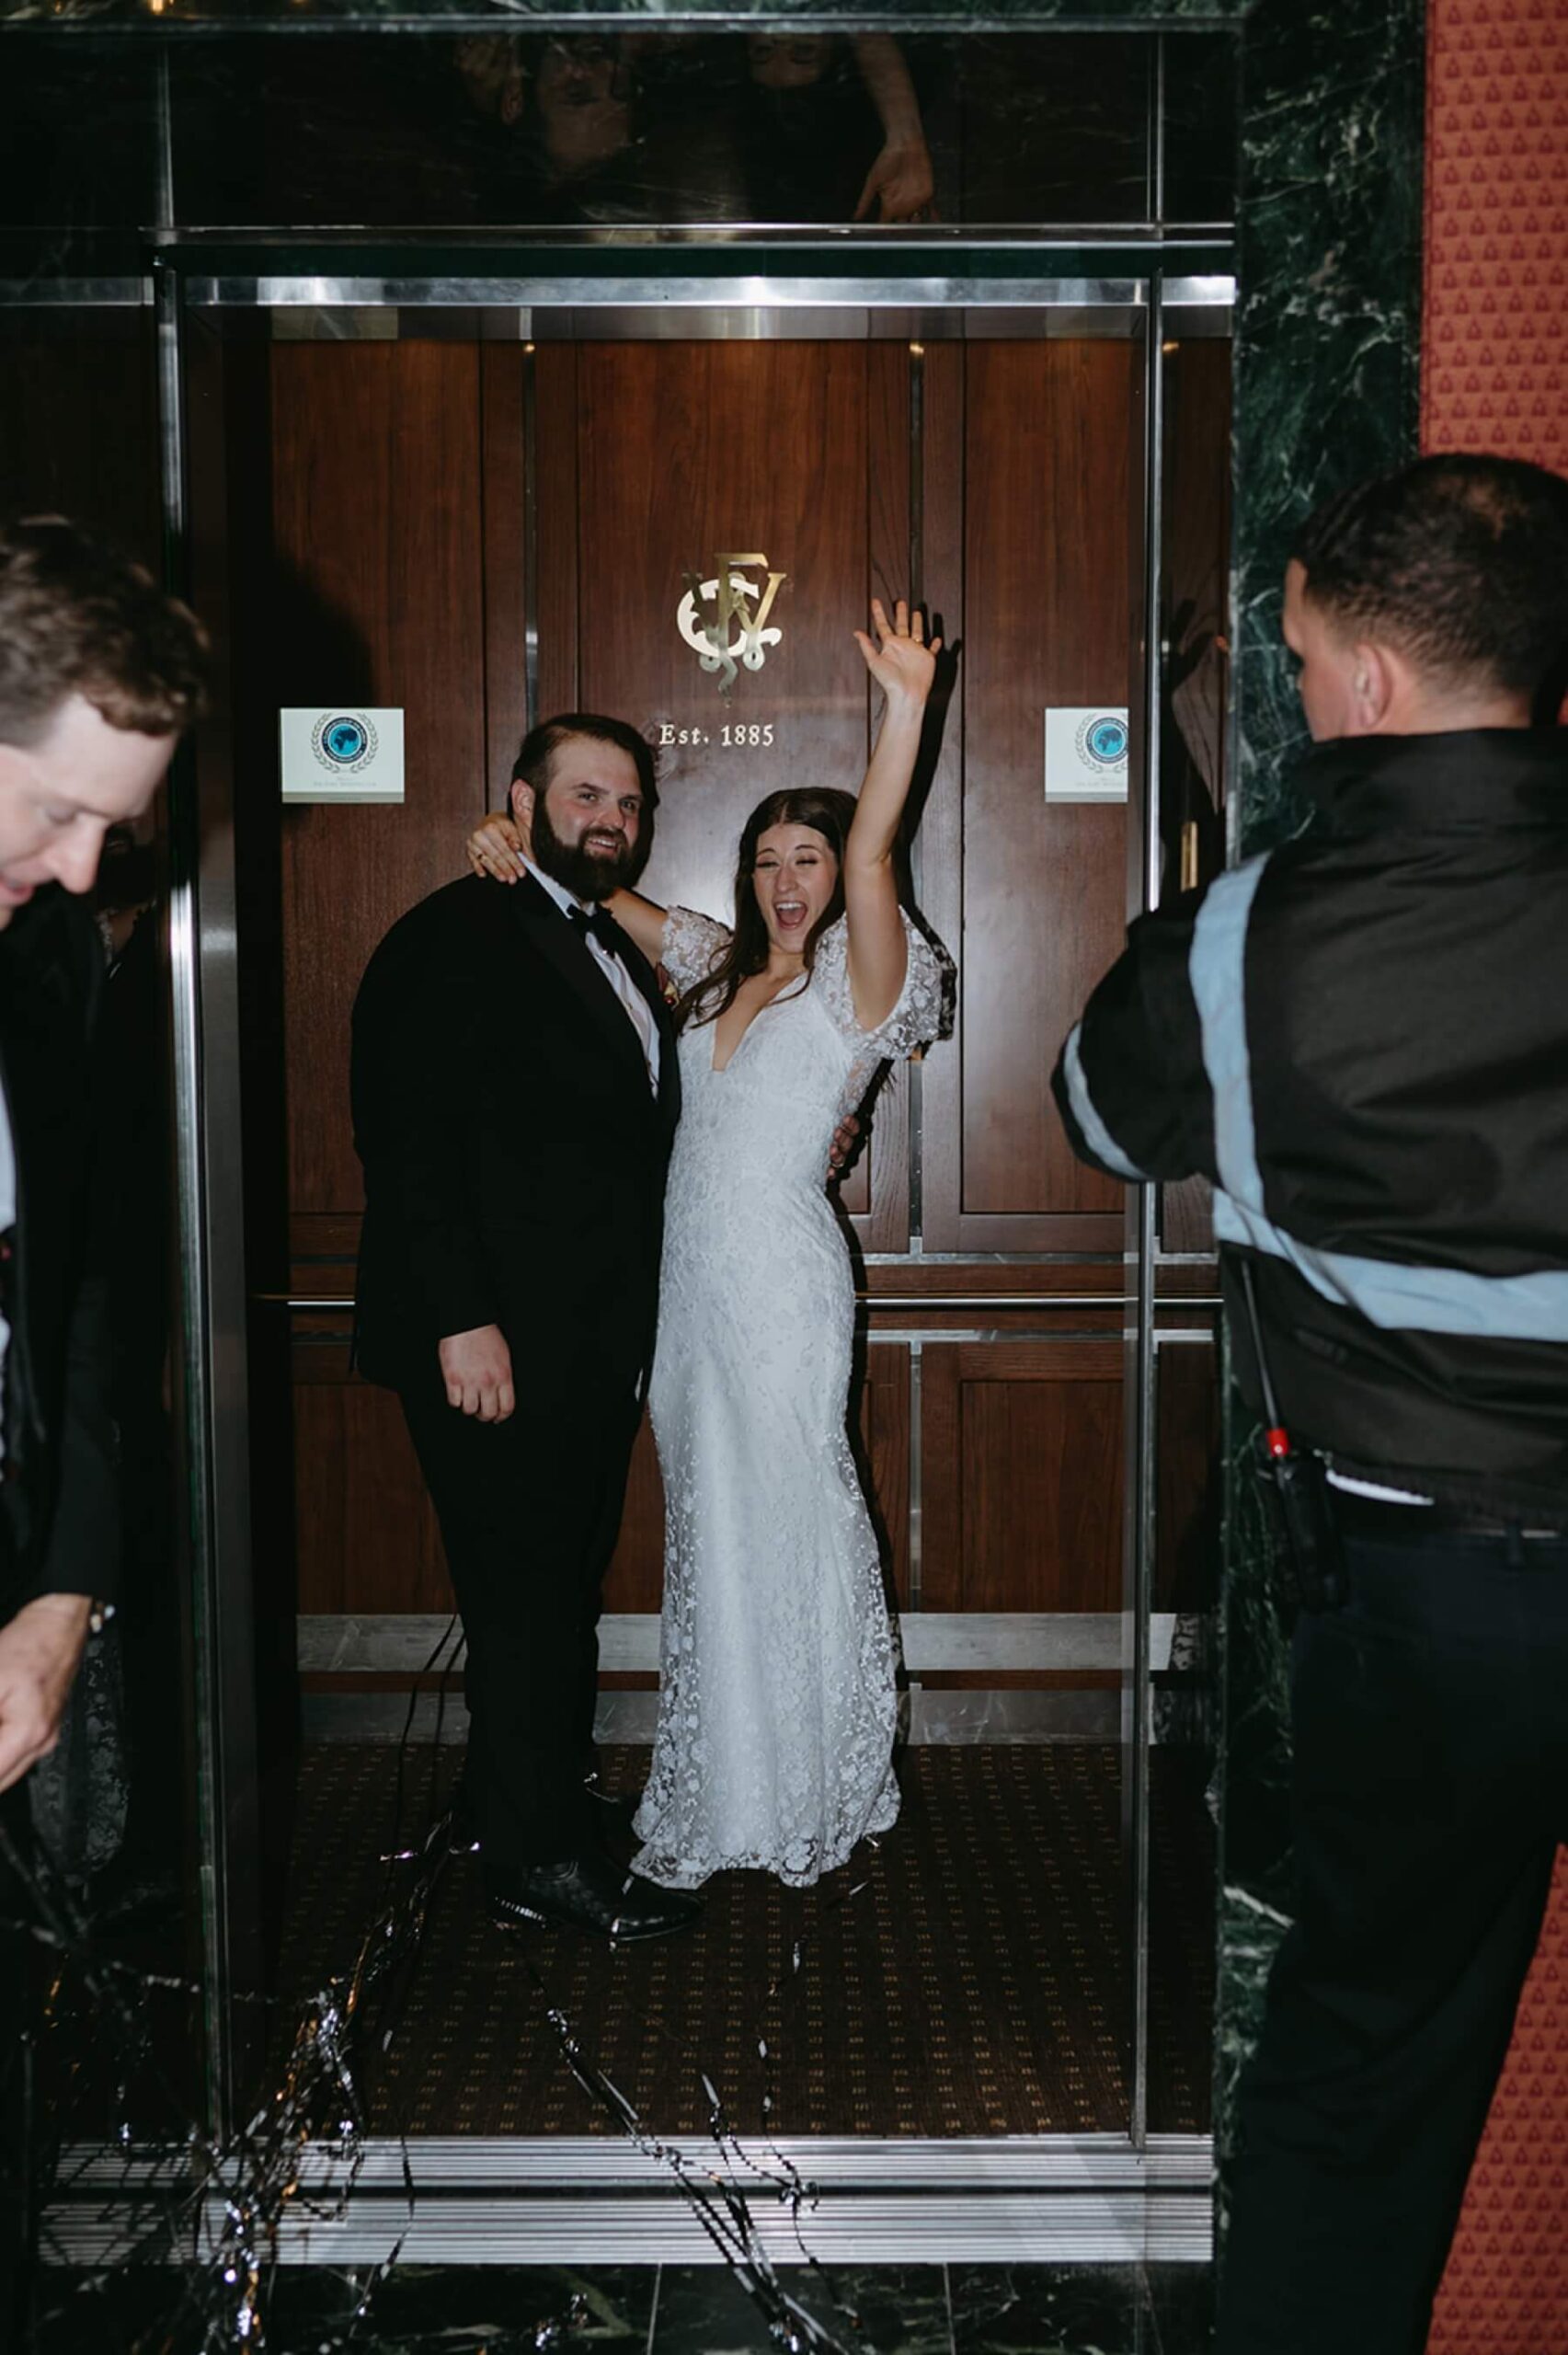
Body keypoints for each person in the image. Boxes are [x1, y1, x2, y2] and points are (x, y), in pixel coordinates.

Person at [1050, 454, 1568, 2355]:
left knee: (1358, 2077)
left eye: (1294, 652)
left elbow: (1097, 1119)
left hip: (1423, 1598)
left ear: (1351, 684)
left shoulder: (1242, 939)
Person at [468, 598, 947, 1888]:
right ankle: (726, 1774)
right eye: (769, 859)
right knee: (710, 1529)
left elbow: (878, 862)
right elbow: (587, 888)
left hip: (781, 1283)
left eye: (810, 858)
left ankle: (807, 1785)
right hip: (683, 1291)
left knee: (789, 1513)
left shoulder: (859, 974)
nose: (788, 881)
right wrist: (508, 837)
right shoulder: (711, 966)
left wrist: (902, 709)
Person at [351, 713, 701, 1946]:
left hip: (585, 1344)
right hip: (489, 1341)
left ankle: (531, 1803)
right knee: (521, 1596)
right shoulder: (454, 933)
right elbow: (410, 1144)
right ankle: (531, 1860)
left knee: (556, 1587)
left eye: (629, 802)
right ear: (520, 798)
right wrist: (461, 1321)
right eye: (586, 796)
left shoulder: (605, 939)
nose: (611, 818)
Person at [0, 516, 206, 2344]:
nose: (80, 868)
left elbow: (66, 1293)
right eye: (55, 810)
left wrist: (63, 1593)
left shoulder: (42, 964)